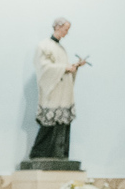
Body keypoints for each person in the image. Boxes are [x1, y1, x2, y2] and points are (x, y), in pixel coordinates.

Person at [30, 17, 86, 160]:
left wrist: (74, 67)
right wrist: (64, 68)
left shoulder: (61, 48)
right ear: (57, 27)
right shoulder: (44, 46)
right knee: (49, 125)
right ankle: (40, 155)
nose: (67, 33)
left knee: (62, 124)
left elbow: (64, 68)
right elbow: (43, 68)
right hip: (52, 93)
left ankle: (60, 154)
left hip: (64, 93)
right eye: (66, 29)